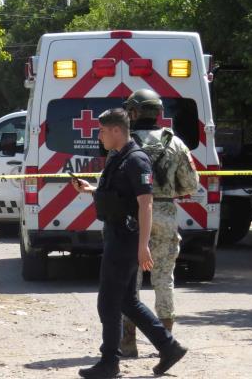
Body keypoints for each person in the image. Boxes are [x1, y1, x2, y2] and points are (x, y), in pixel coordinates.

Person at [71, 108, 187, 379]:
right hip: (116, 233)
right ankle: (169, 347)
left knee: (108, 302)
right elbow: (117, 194)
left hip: (126, 238)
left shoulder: (136, 160)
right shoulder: (118, 157)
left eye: (101, 131)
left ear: (115, 130)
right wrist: (90, 189)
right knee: (127, 301)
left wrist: (143, 245)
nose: (99, 136)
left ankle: (109, 362)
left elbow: (145, 204)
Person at [120, 89, 200, 356]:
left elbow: (113, 183)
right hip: (164, 214)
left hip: (131, 217)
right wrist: (166, 193)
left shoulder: (124, 143)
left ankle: (128, 342)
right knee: (164, 278)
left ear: (134, 112)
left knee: (130, 280)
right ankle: (165, 342)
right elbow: (191, 183)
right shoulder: (175, 143)